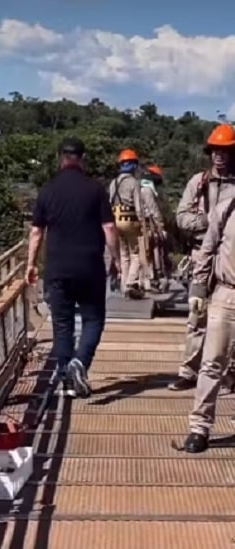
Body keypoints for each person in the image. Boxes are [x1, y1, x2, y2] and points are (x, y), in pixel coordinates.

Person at [26, 137, 121, 398]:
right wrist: (116, 260)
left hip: (57, 269)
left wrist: (31, 264)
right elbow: (109, 229)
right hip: (90, 267)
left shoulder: (48, 191)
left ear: (61, 158)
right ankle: (81, 362)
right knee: (93, 319)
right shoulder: (96, 190)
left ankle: (67, 380)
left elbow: (36, 233)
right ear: (82, 158)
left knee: (62, 324)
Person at [169, 124, 235, 392]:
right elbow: (181, 217)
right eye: (215, 151)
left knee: (229, 319)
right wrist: (211, 221)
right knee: (197, 316)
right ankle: (189, 371)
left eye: (225, 151)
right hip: (200, 254)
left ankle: (229, 373)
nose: (219, 156)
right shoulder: (198, 182)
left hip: (229, 257)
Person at [182, 193, 235, 452]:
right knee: (212, 362)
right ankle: (199, 428)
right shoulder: (228, 207)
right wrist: (198, 288)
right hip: (227, 293)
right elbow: (208, 249)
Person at [107, 149, 145, 299]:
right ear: (133, 165)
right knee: (136, 253)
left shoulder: (113, 183)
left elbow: (109, 202)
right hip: (130, 220)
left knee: (123, 254)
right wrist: (142, 222)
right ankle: (130, 283)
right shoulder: (133, 183)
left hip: (115, 220)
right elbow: (138, 205)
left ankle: (123, 285)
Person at [140, 165, 167, 291]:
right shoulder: (147, 190)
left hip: (142, 223)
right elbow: (153, 209)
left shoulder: (140, 187)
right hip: (148, 224)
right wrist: (160, 225)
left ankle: (150, 278)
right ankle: (154, 277)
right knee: (154, 249)